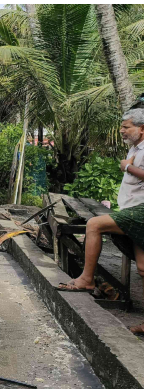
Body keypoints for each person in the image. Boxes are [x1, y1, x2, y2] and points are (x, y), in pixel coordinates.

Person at [57, 108, 144, 334]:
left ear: (142, 128)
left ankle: (87, 279)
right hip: (134, 210)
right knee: (143, 268)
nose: (121, 130)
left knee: (94, 224)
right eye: (122, 126)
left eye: (126, 127)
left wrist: (127, 167)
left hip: (142, 212)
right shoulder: (136, 148)